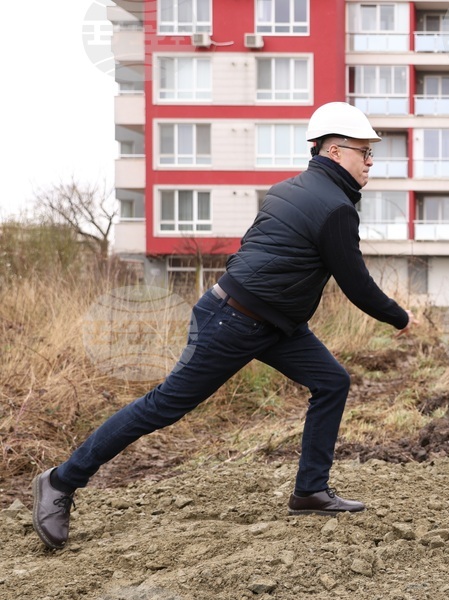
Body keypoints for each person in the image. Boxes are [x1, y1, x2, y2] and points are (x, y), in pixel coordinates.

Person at [31, 102, 412, 550]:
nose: (370, 161)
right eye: (363, 151)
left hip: (272, 322)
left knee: (332, 381)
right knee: (163, 406)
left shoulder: (286, 189)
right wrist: (401, 317)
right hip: (234, 320)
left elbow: (250, 249)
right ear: (333, 151)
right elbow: (358, 285)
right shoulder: (334, 208)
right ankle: (61, 481)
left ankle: (310, 490)